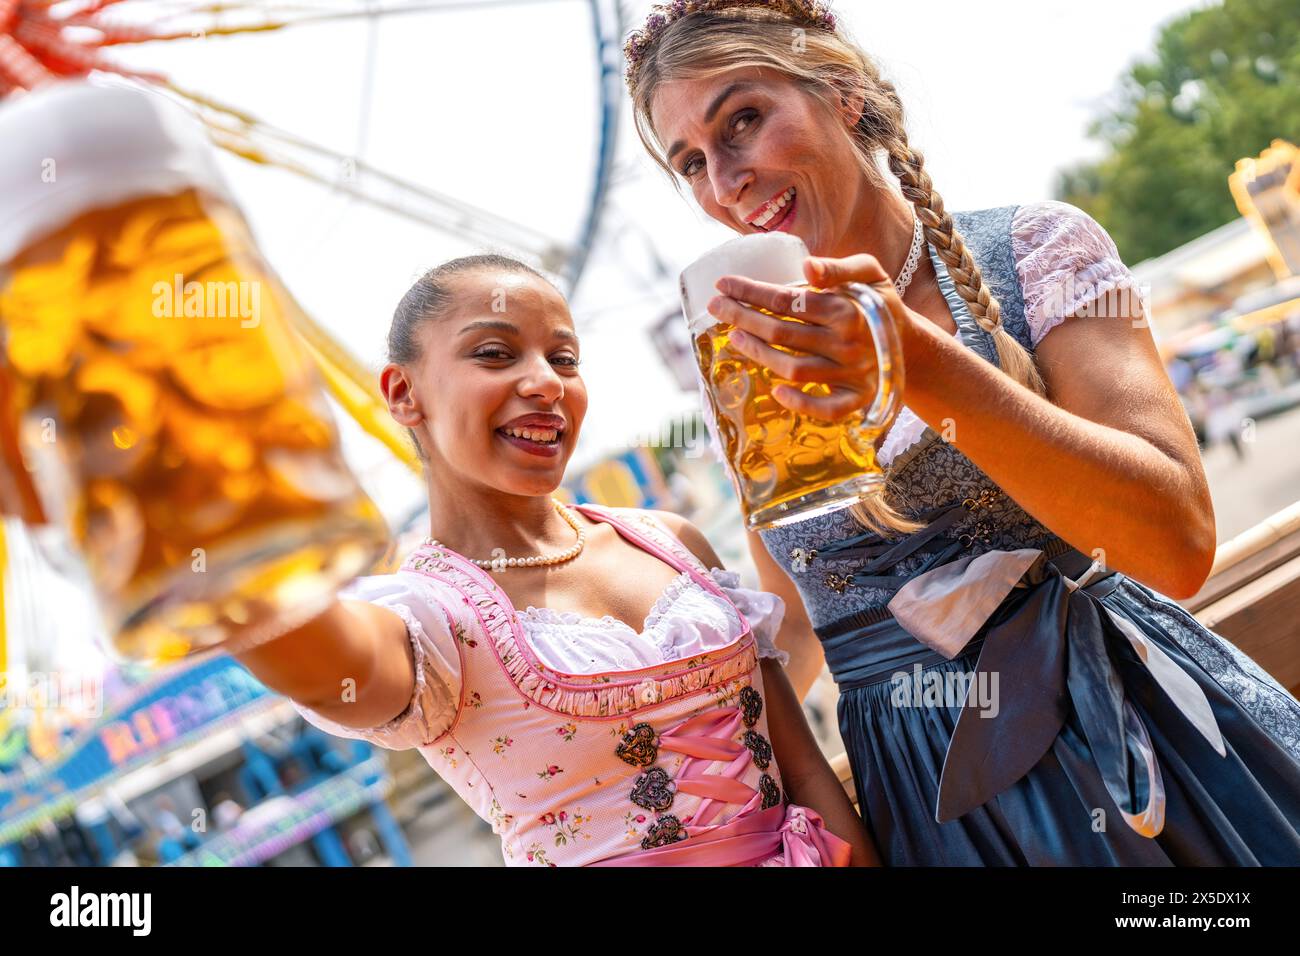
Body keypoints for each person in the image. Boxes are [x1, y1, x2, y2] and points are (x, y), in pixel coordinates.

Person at [624, 0, 1300, 864]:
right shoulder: (754, 378)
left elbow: (1177, 541)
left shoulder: (1032, 251)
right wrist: (649, 758)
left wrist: (922, 364)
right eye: (691, 163)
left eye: (743, 121)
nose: (725, 183)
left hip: (1138, 747)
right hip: (932, 808)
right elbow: (793, 625)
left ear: (843, 94)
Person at [229, 254, 875, 867]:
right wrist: (219, 551)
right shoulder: (431, 619)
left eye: (563, 358)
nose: (545, 382)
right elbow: (329, 664)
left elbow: (808, 768)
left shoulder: (670, 541)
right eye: (494, 353)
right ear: (402, 393)